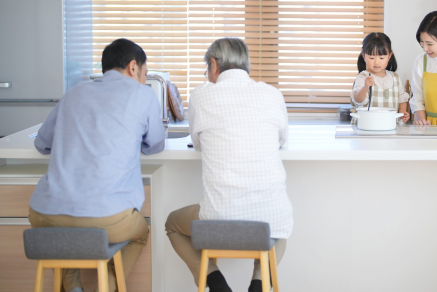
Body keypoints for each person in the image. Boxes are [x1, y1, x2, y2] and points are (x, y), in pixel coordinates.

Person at [29, 38, 166, 292]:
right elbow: (156, 145)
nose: (144, 80)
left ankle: (73, 287)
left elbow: (42, 144)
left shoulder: (74, 93)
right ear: (133, 67)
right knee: (140, 233)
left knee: (64, 235)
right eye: (145, 74)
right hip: (110, 220)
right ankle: (110, 285)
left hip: (46, 215)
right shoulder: (143, 94)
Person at [165, 38, 292, 292]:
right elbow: (282, 139)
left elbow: (198, 143)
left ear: (214, 65)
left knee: (172, 224)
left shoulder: (201, 95)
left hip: (218, 217)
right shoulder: (271, 93)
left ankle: (215, 282)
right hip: (270, 216)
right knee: (280, 229)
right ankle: (259, 284)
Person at [351, 32, 410, 123]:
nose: (377, 62)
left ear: (389, 56)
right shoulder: (362, 77)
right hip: (367, 125)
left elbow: (402, 98)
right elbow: (357, 100)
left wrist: (402, 112)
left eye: (381, 58)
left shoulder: (395, 77)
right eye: (372, 58)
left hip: (389, 125)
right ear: (364, 56)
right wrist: (365, 88)